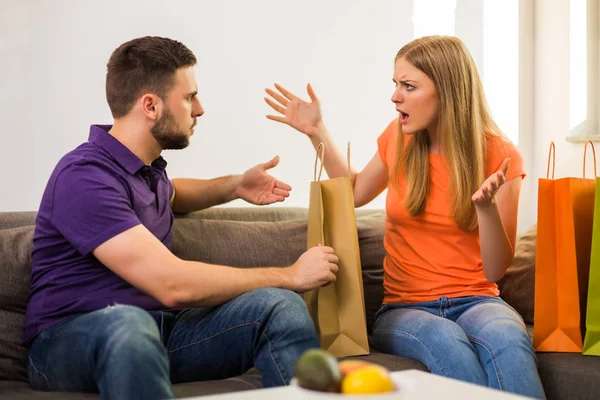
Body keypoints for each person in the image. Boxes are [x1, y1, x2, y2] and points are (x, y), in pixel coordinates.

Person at [24, 36, 339, 400]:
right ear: (151, 105)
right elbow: (172, 286)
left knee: (280, 306)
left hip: (157, 333)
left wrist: (235, 185)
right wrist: (290, 275)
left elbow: (174, 193)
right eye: (190, 97)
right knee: (129, 323)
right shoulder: (83, 177)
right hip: (66, 342)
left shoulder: (146, 171)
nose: (200, 108)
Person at [264, 35, 545, 399]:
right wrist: (317, 131)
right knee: (446, 339)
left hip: (478, 299)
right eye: (395, 84)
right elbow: (354, 193)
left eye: (408, 86)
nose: (395, 96)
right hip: (404, 308)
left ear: (447, 91)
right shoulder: (398, 138)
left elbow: (494, 272)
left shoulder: (501, 155)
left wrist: (486, 210)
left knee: (509, 337)